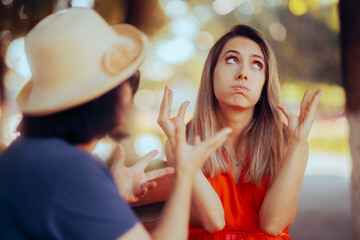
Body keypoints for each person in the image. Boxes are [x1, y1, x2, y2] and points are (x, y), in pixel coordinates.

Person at [0, 7, 232, 240]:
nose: (130, 93)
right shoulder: (69, 171)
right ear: (105, 96)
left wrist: (107, 192)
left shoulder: (23, 155)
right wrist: (185, 174)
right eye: (127, 81)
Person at [158, 25, 323, 239]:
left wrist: (298, 143)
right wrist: (179, 150)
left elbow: (273, 225)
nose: (243, 74)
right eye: (232, 60)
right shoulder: (182, 139)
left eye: (256, 64)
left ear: (265, 83)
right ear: (211, 74)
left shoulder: (290, 141)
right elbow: (213, 221)